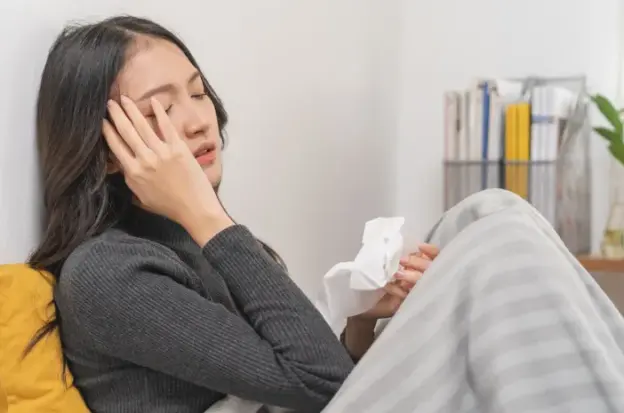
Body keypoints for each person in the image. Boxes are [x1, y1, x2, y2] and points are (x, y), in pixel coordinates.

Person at [28, 15, 433, 413]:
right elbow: (321, 382)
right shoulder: (107, 271)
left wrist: (359, 322)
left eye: (198, 93)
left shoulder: (198, 240)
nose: (198, 122)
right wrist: (206, 215)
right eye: (158, 110)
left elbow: (312, 383)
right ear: (105, 151)